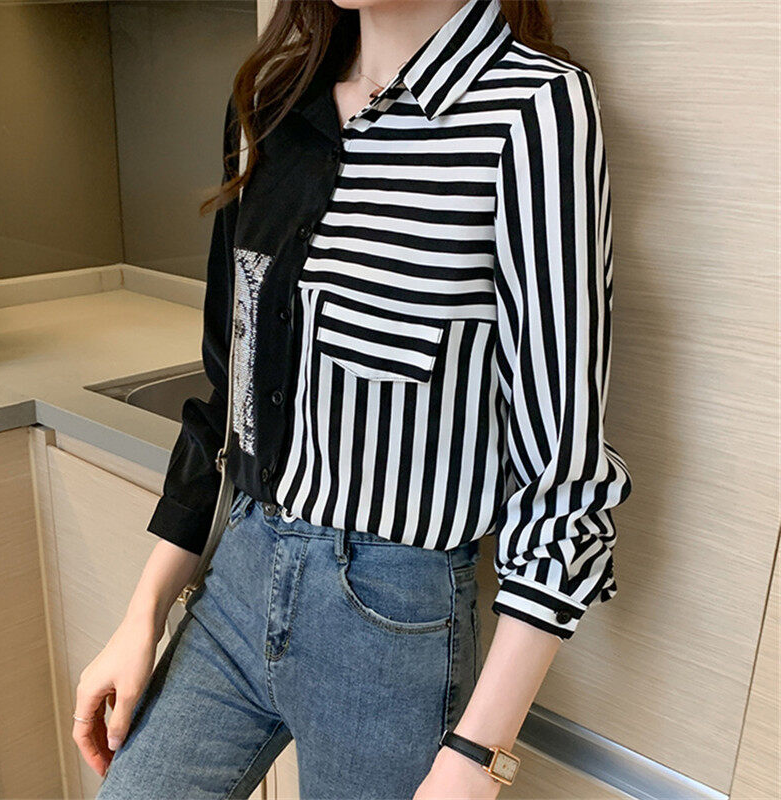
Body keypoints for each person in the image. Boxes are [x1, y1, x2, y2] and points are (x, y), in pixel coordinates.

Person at [76, 0, 633, 797]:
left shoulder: (533, 108)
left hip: (388, 622)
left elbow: (562, 477)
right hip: (237, 576)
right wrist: (143, 615)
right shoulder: (271, 103)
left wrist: (478, 756)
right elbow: (228, 398)